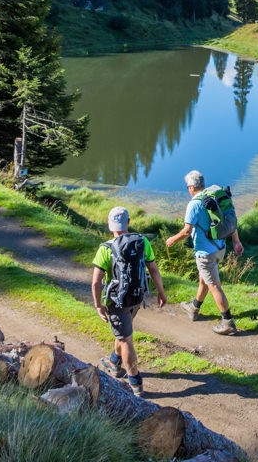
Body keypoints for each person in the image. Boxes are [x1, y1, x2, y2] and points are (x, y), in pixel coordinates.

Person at [92, 206, 166, 396]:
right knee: (123, 333)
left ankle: (135, 384)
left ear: (110, 225)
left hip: (116, 302)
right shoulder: (142, 242)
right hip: (137, 297)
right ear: (129, 222)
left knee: (126, 340)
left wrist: (98, 305)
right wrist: (161, 292)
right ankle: (114, 362)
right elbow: (153, 270)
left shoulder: (105, 248)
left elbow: (96, 282)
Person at [165, 169, 244, 335]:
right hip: (220, 248)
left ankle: (228, 322)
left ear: (191, 187)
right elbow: (230, 220)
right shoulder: (214, 196)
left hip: (205, 253)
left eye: (188, 187)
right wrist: (236, 241)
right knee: (204, 279)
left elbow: (187, 231)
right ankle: (194, 308)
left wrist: (172, 239)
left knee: (214, 285)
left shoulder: (194, 204)